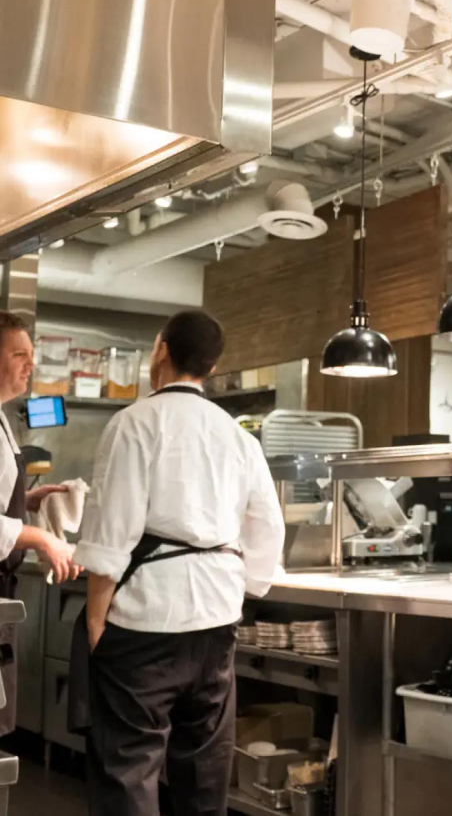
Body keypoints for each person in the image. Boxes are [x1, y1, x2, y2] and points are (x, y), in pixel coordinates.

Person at [71, 310, 285, 816]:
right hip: (215, 621)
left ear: (161, 351)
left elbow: (110, 529)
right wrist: (244, 588)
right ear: (210, 367)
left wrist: (97, 617)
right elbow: (267, 528)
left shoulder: (133, 423)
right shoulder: (239, 437)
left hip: (145, 620)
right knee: (204, 771)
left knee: (128, 768)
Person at [0, 312, 81, 736]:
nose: (30, 365)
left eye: (32, 356)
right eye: (19, 355)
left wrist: (26, 502)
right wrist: (40, 537)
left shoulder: (3, 419)